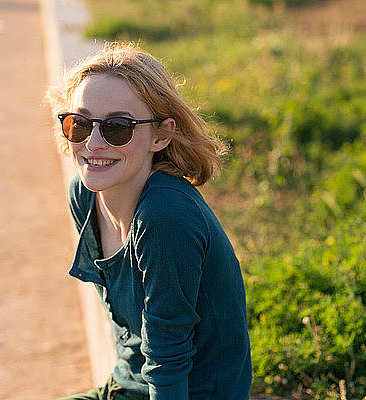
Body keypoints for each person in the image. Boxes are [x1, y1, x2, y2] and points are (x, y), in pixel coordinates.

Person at [47, 42, 252, 400]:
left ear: (161, 135)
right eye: (79, 123)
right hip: (127, 386)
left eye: (117, 128)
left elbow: (167, 359)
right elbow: (129, 337)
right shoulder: (84, 195)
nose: (93, 143)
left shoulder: (165, 216)